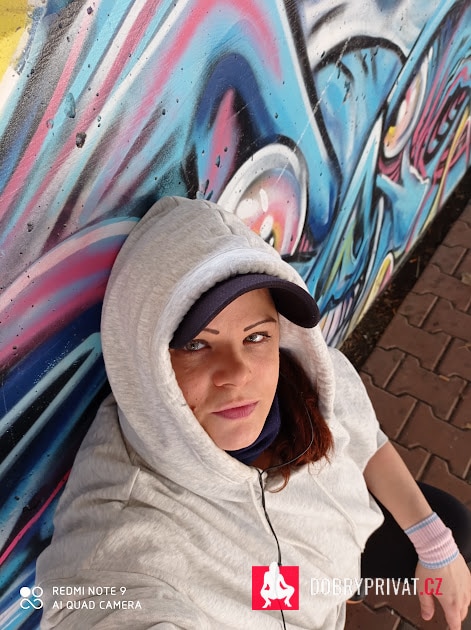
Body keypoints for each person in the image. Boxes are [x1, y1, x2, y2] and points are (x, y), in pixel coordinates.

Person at [36, 196, 471, 629]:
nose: (239, 373)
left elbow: (367, 443)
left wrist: (434, 543)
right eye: (196, 345)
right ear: (148, 364)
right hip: (298, 598)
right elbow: (93, 599)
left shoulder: (310, 380)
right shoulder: (125, 527)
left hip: (331, 571)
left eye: (256, 336)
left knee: (453, 521)